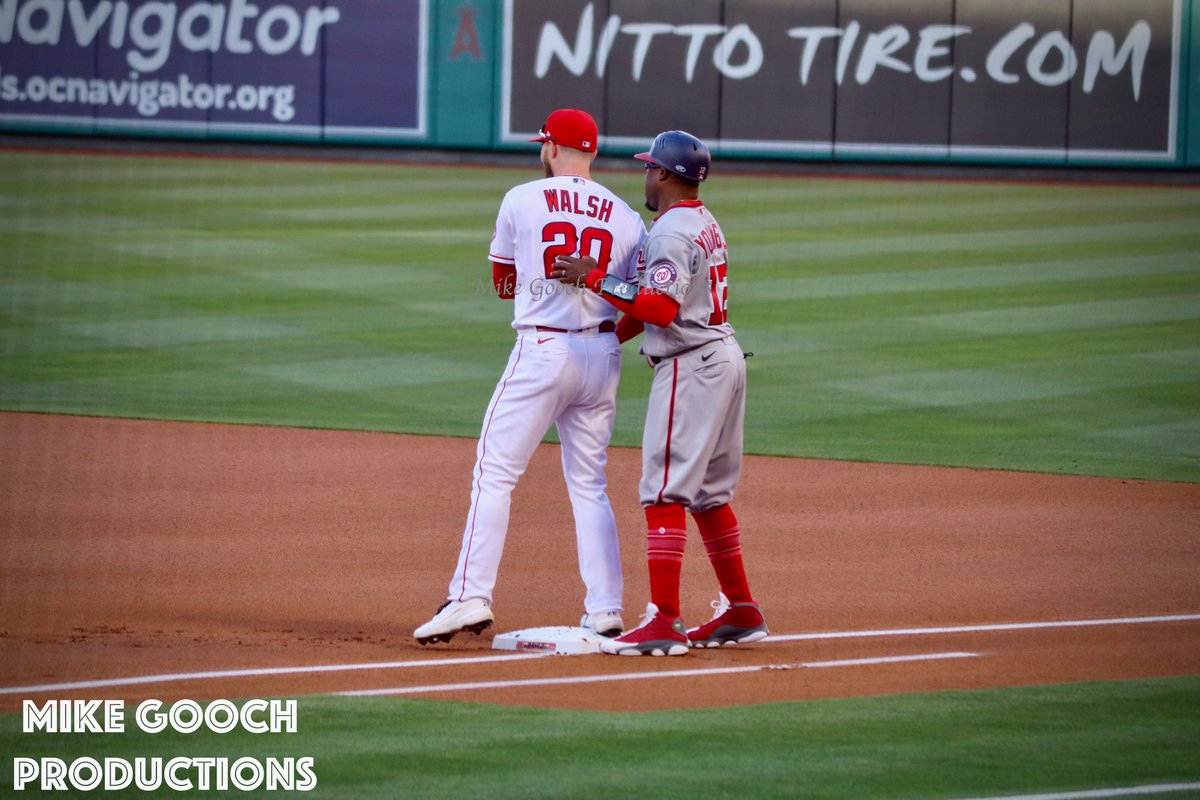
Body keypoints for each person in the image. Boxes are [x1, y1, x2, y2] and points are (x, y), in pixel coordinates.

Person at [415, 109, 647, 645]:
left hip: (542, 349)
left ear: (552, 148)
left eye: (543, 143)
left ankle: (470, 596)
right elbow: (637, 300)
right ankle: (607, 608)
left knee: (494, 474)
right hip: (602, 354)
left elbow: (500, 282)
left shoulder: (521, 198)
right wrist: (608, 334)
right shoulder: (625, 214)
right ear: (590, 152)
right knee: (591, 486)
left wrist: (539, 286)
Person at [550, 130, 767, 656]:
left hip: (691, 365)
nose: (644, 175)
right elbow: (654, 304)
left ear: (665, 175)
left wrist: (594, 277)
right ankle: (740, 610)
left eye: (650, 167)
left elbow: (660, 309)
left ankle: (664, 619)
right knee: (710, 496)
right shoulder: (702, 221)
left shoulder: (670, 233)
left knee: (664, 491)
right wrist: (605, 334)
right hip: (723, 358)